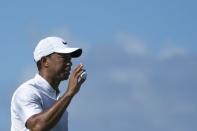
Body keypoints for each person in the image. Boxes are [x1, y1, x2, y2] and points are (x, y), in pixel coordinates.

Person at [11, 36, 86, 131]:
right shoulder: (27, 92)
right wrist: (69, 93)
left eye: (69, 59)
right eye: (64, 58)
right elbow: (37, 126)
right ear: (44, 61)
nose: (69, 63)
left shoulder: (59, 100)